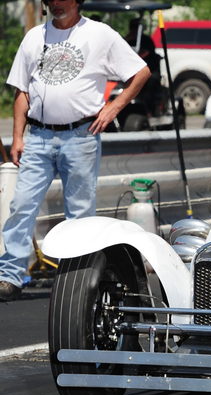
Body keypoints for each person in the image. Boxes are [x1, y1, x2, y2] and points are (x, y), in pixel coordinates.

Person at [0, 0, 150, 301]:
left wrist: (113, 108)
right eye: (50, 0)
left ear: (77, 1)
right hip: (39, 134)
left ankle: (75, 280)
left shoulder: (100, 34)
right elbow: (21, 91)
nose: (55, 4)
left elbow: (141, 72)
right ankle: (10, 277)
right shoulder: (34, 36)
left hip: (81, 134)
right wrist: (17, 137)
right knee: (21, 206)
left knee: (79, 214)